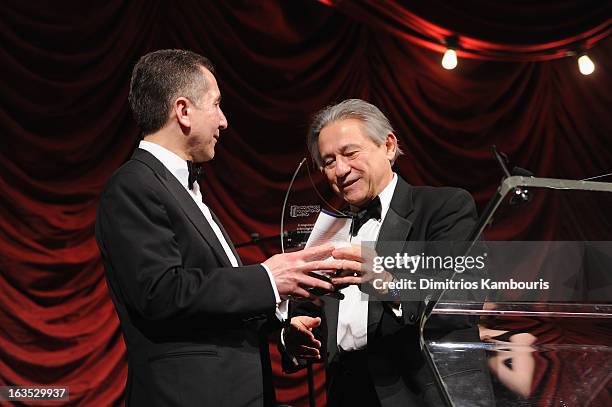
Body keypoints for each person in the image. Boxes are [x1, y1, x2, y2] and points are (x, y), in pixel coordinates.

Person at [95, 50, 356, 407]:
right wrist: (267, 278)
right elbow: (160, 292)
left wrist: (280, 331)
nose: (224, 121)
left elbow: (213, 308)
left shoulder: (184, 188)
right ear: (183, 111)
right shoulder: (133, 184)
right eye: (216, 105)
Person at [282, 99, 488, 406]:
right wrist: (293, 335)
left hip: (423, 393)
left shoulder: (444, 207)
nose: (340, 169)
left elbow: (464, 297)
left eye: (350, 153)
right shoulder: (326, 230)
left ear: (388, 146)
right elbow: (305, 311)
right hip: (346, 393)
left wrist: (387, 279)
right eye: (328, 161)